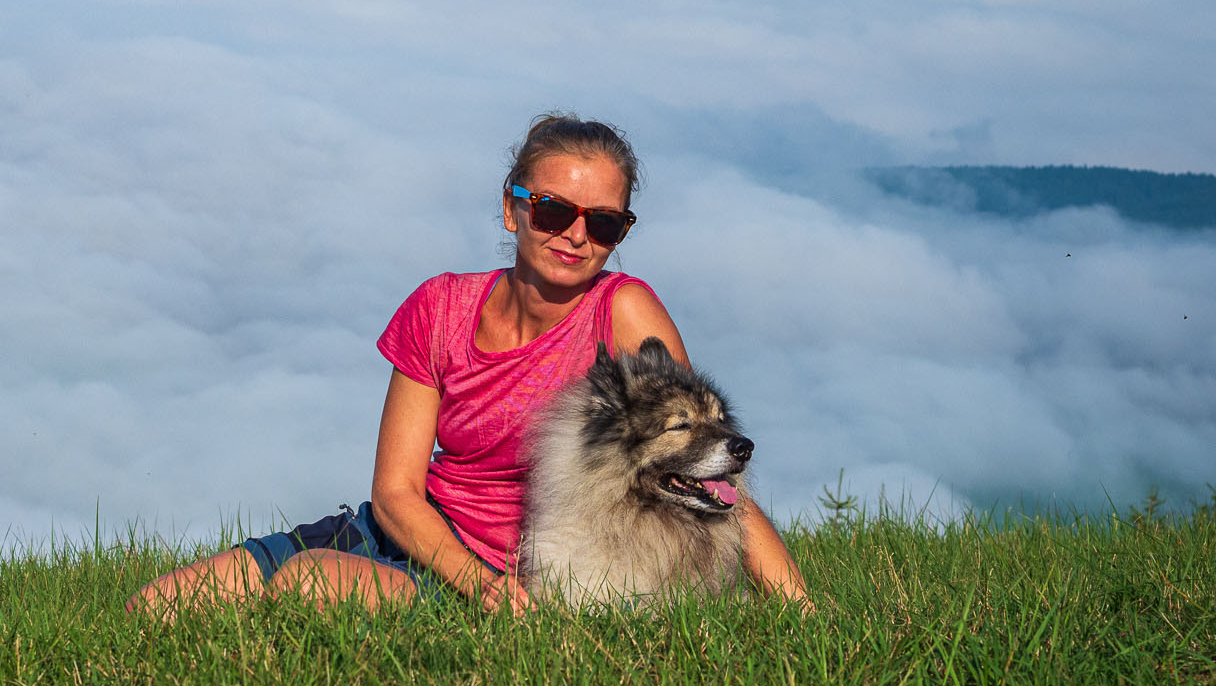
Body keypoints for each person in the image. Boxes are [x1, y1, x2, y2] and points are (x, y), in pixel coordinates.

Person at [126, 115, 808, 617]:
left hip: (517, 574)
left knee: (309, 586)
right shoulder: (440, 308)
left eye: (604, 223)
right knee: (150, 614)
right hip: (411, 535)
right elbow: (396, 490)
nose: (576, 235)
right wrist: (467, 576)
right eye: (553, 210)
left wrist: (800, 615)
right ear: (514, 210)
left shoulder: (623, 313)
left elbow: (699, 467)